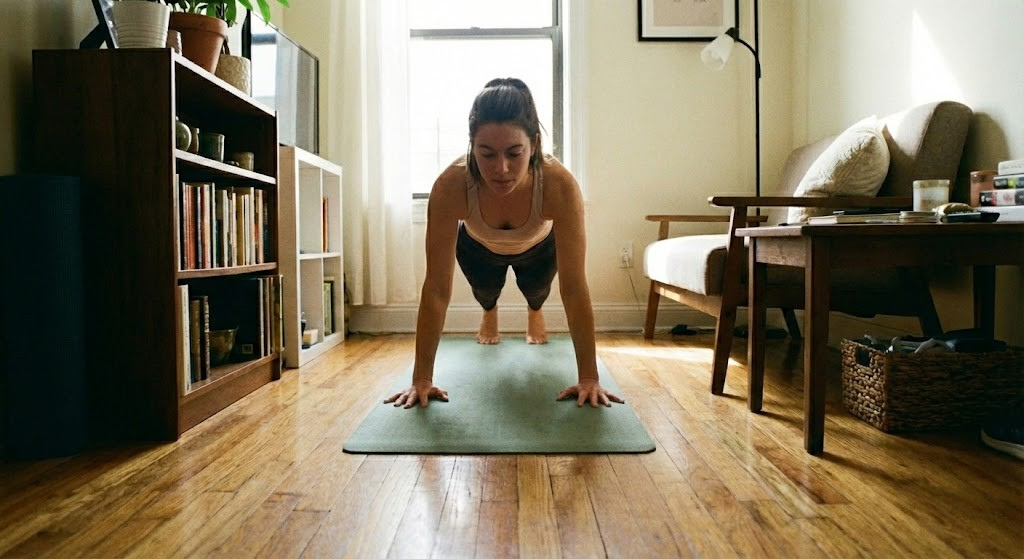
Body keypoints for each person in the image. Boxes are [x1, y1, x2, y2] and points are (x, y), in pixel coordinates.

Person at [384, 77, 624, 410]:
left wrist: (589, 378)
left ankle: (534, 310)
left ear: (535, 144)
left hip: (539, 246)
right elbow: (437, 288)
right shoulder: (450, 185)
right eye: (487, 154)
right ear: (471, 145)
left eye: (514, 153)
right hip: (479, 245)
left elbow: (574, 288)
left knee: (538, 290)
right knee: (485, 290)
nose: (502, 169)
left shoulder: (559, 186)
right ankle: (489, 310)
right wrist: (421, 379)